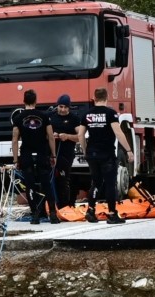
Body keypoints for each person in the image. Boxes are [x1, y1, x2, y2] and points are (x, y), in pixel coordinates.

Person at [79, 87, 131, 224]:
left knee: (96, 182)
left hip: (92, 153)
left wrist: (85, 150)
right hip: (106, 154)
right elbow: (118, 133)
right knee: (109, 184)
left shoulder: (87, 115)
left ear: (94, 98)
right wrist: (128, 150)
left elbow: (80, 134)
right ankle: (112, 214)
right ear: (106, 98)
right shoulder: (111, 114)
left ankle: (90, 210)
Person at [8, 89, 54, 223]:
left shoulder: (18, 119)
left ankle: (35, 215)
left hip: (26, 155)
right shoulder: (44, 116)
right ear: (36, 101)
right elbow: (50, 136)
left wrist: (16, 159)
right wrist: (54, 155)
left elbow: (15, 139)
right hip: (42, 154)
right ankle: (52, 213)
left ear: (23, 101)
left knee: (30, 185)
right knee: (46, 184)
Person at [46, 93, 80, 218]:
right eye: (61, 106)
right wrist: (51, 136)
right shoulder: (50, 116)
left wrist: (67, 137)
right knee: (48, 180)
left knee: (63, 180)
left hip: (66, 154)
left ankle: (65, 207)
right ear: (57, 106)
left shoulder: (74, 119)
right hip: (50, 154)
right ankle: (50, 207)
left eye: (66, 107)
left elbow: (79, 137)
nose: (63, 109)